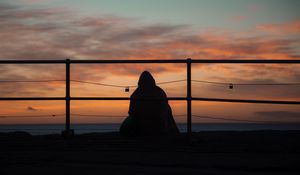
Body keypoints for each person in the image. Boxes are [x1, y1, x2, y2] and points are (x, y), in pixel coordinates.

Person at [120, 71, 179, 136]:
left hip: (141, 130)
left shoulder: (135, 94)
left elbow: (131, 113)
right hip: (159, 129)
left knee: (128, 121)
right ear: (153, 81)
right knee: (168, 108)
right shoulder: (160, 93)